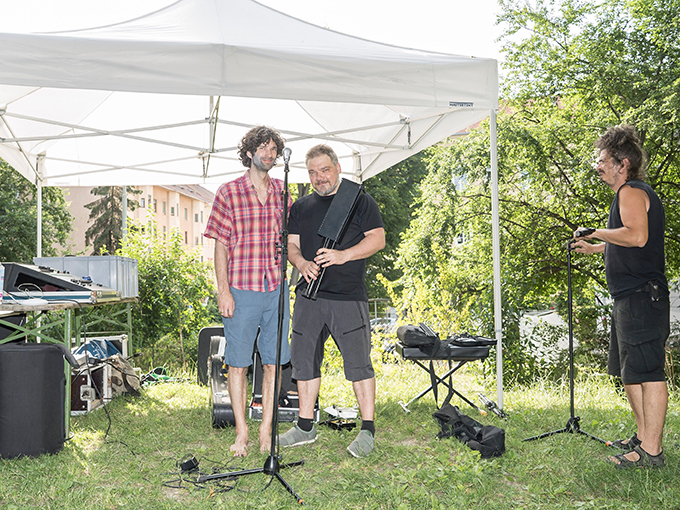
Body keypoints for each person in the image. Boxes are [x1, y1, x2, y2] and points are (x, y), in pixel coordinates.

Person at [277, 144, 385, 458]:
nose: (319, 177)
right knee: (304, 361)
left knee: (358, 363)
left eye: (324, 170)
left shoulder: (358, 201)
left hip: (347, 297)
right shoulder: (300, 207)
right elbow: (291, 245)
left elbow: (377, 239)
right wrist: (300, 264)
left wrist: (342, 256)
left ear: (337, 167)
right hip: (309, 296)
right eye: (312, 172)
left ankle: (367, 430)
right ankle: (305, 427)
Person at [573, 124, 669, 468]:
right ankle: (643, 439)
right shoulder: (628, 194)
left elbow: (637, 236)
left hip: (643, 297)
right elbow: (628, 242)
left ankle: (651, 453)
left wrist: (596, 229)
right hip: (631, 297)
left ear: (622, 162)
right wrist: (597, 247)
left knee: (649, 372)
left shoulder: (630, 191)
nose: (598, 166)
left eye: (603, 160)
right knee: (632, 373)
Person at [204, 126, 291, 457]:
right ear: (250, 152)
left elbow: (292, 241)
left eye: (273, 149)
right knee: (238, 364)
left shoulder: (284, 193)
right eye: (262, 148)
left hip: (276, 289)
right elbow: (220, 246)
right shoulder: (228, 192)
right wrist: (223, 290)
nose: (268, 154)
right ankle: (242, 432)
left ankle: (266, 429)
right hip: (241, 288)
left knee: (273, 363)